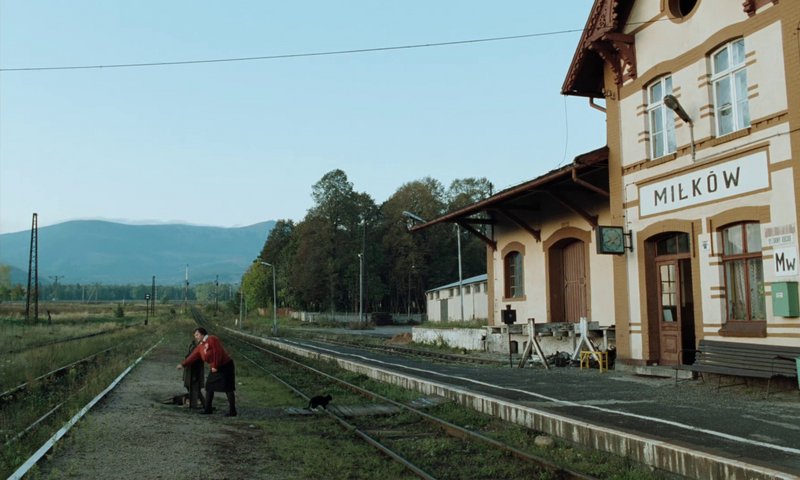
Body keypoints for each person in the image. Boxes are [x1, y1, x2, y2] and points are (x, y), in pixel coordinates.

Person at [177, 327, 237, 417]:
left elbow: (218, 352)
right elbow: (193, 356)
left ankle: (233, 411)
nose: (196, 337)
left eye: (197, 335)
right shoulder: (200, 346)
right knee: (209, 387)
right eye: (195, 336)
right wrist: (183, 364)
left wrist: (215, 366)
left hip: (225, 366)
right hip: (215, 367)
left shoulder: (212, 339)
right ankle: (208, 409)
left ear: (202, 334)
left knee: (228, 388)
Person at [183, 335, 205, 409]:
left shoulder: (201, 346)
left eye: (198, 335)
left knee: (195, 388)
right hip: (189, 367)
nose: (196, 337)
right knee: (189, 385)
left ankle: (195, 405)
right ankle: (204, 404)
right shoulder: (193, 344)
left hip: (196, 368)